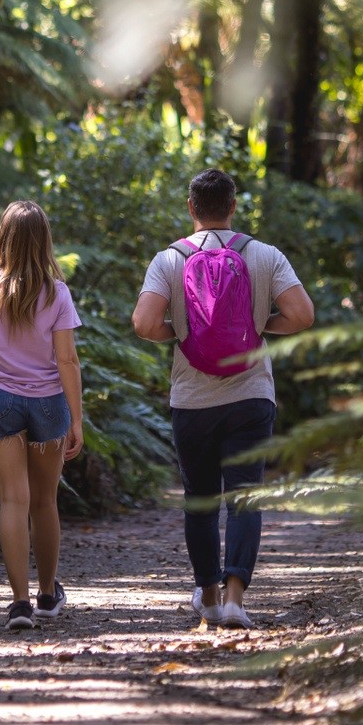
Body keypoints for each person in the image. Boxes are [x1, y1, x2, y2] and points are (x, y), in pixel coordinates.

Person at [132, 169, 314, 630]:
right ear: (233, 206)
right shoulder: (264, 255)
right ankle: (236, 598)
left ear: (191, 208)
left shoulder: (169, 259)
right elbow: (302, 315)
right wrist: (258, 327)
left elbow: (144, 324)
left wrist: (182, 332)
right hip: (251, 395)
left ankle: (208, 596)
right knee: (244, 497)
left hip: (192, 399)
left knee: (199, 498)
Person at [0, 200, 86, 631]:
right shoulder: (57, 293)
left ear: (2, 237)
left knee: (12, 500)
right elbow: (67, 360)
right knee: (45, 501)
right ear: (44, 242)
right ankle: (48, 595)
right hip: (49, 401)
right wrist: (77, 419)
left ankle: (19, 605)